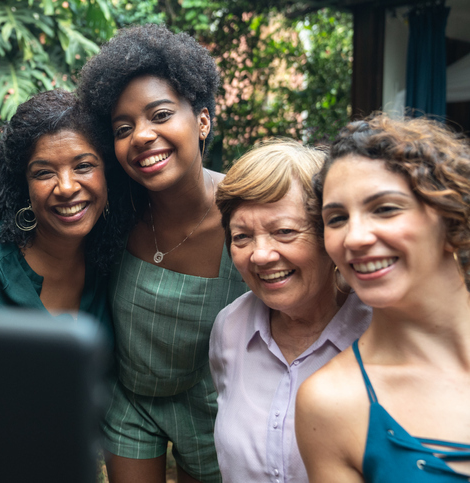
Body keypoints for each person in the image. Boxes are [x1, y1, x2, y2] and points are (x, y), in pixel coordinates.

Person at [77, 24, 247, 483]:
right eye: (123, 128)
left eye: (160, 114)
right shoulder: (112, 211)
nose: (142, 136)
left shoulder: (245, 215)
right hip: (129, 399)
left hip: (212, 404)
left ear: (204, 120)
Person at [295, 114, 470, 482]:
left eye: (385, 208)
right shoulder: (332, 402)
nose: (354, 238)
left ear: (452, 218)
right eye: (337, 218)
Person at [209, 139, 371, 483]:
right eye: (241, 237)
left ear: (330, 235)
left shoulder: (380, 330)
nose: (260, 255)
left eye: (283, 232)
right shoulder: (229, 329)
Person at [0, 89, 129, 326]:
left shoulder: (114, 255)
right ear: (24, 186)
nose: (66, 188)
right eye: (44, 173)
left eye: (83, 166)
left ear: (108, 173)